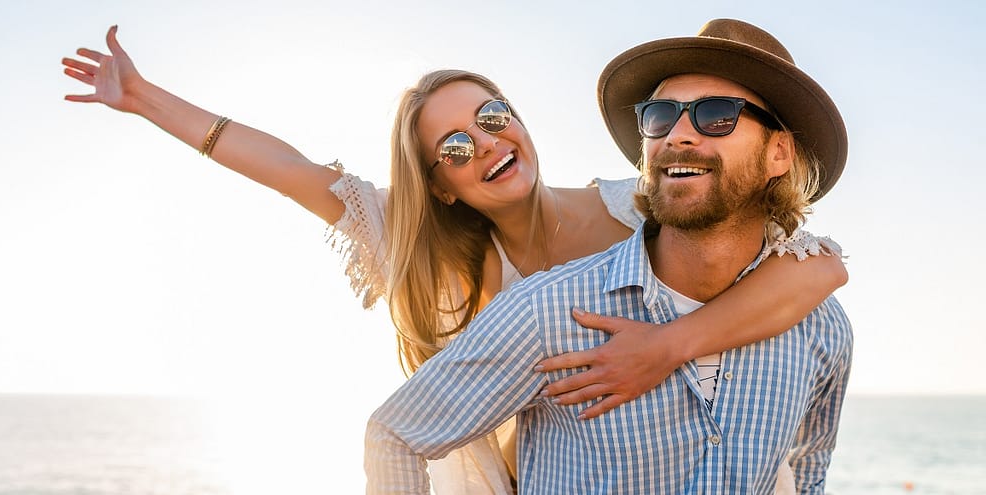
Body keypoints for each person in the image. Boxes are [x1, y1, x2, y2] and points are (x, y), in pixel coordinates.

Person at [62, 23, 846, 494]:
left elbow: (819, 273)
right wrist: (145, 99)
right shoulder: (472, 279)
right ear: (437, 185)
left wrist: (665, 347)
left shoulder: (633, 203)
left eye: (494, 114)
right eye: (457, 146)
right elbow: (285, 166)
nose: (491, 144)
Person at [364, 18, 853, 495]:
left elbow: (808, 469)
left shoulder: (822, 328)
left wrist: (668, 345)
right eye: (661, 116)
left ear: (779, 154)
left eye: (717, 114)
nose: (678, 135)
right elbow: (397, 435)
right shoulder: (548, 311)